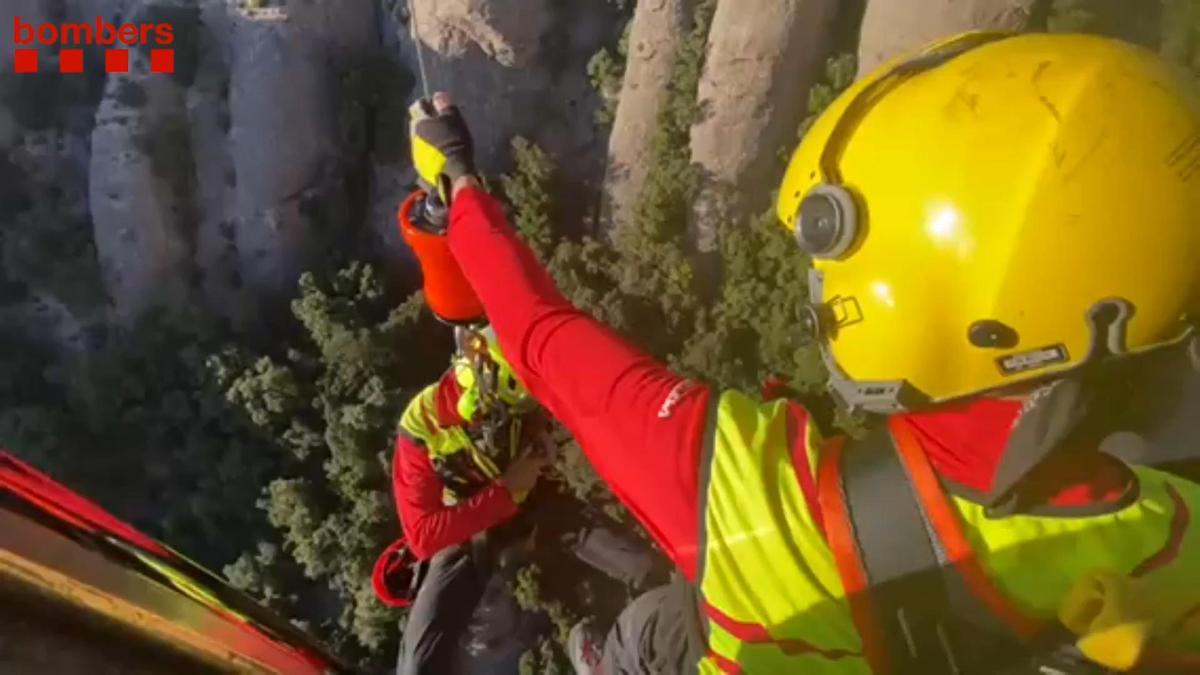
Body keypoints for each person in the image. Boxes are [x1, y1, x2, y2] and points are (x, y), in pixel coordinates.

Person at [408, 31, 1200, 675]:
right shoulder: (1172, 525)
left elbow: (540, 335)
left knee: (659, 633)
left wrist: (459, 183)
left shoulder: (782, 518)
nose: (824, 287)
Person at [378, 325, 555, 675]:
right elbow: (424, 537)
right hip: (472, 529)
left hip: (527, 502)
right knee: (418, 667)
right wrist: (507, 490)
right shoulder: (422, 425)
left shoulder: (509, 387)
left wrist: (543, 435)